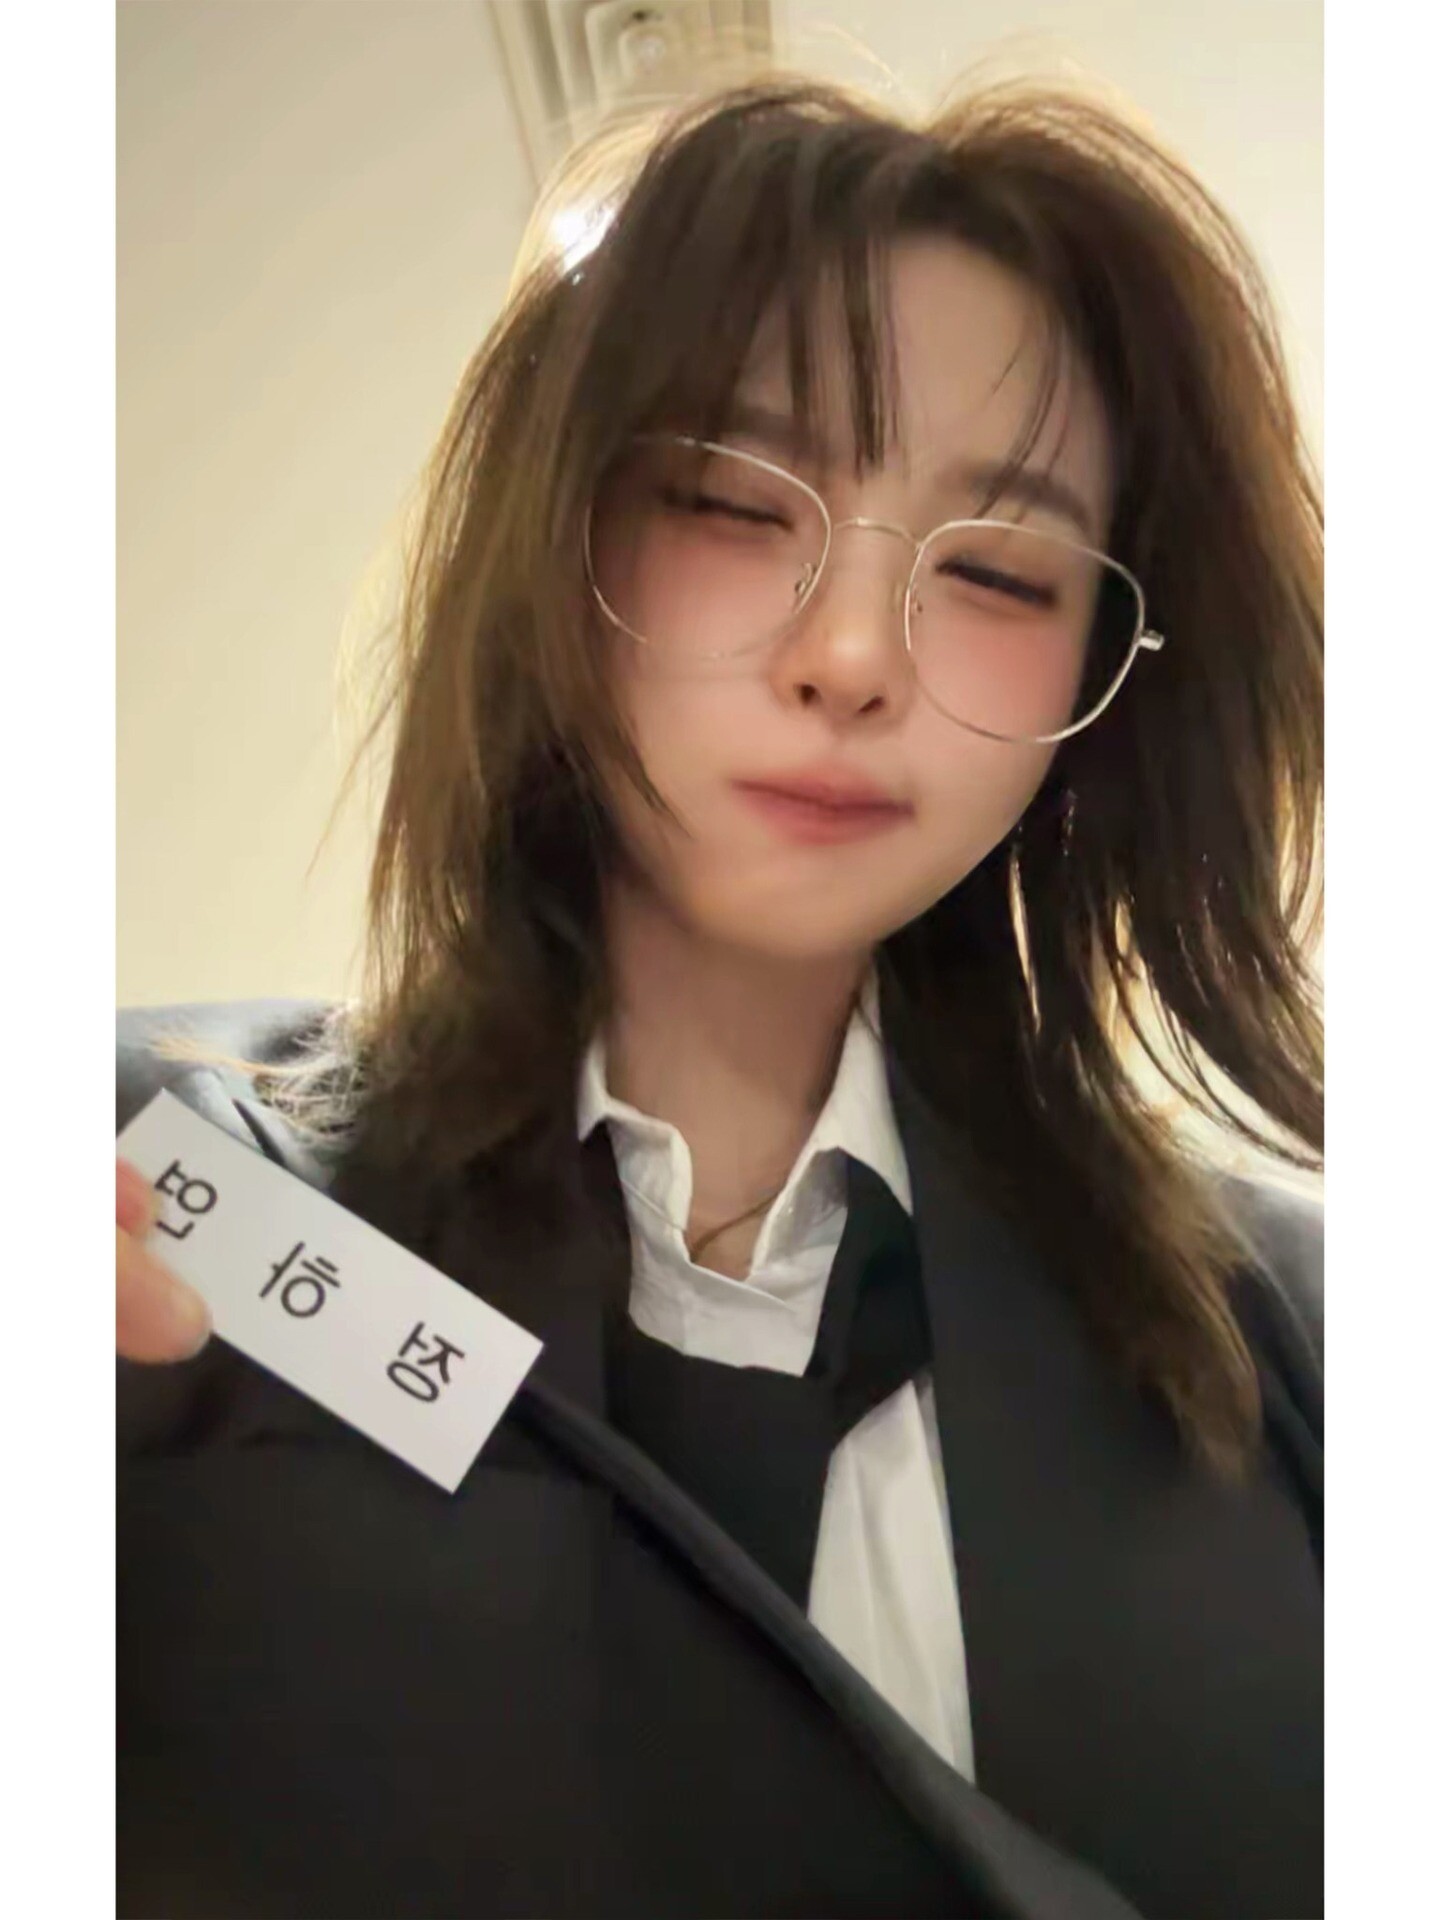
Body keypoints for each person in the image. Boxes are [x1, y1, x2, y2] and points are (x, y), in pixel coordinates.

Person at [116, 73, 1323, 1920]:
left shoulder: (1305, 1341)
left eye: (1000, 570)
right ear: (556, 534)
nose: (850, 656)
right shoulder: (158, 1203)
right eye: (730, 502)